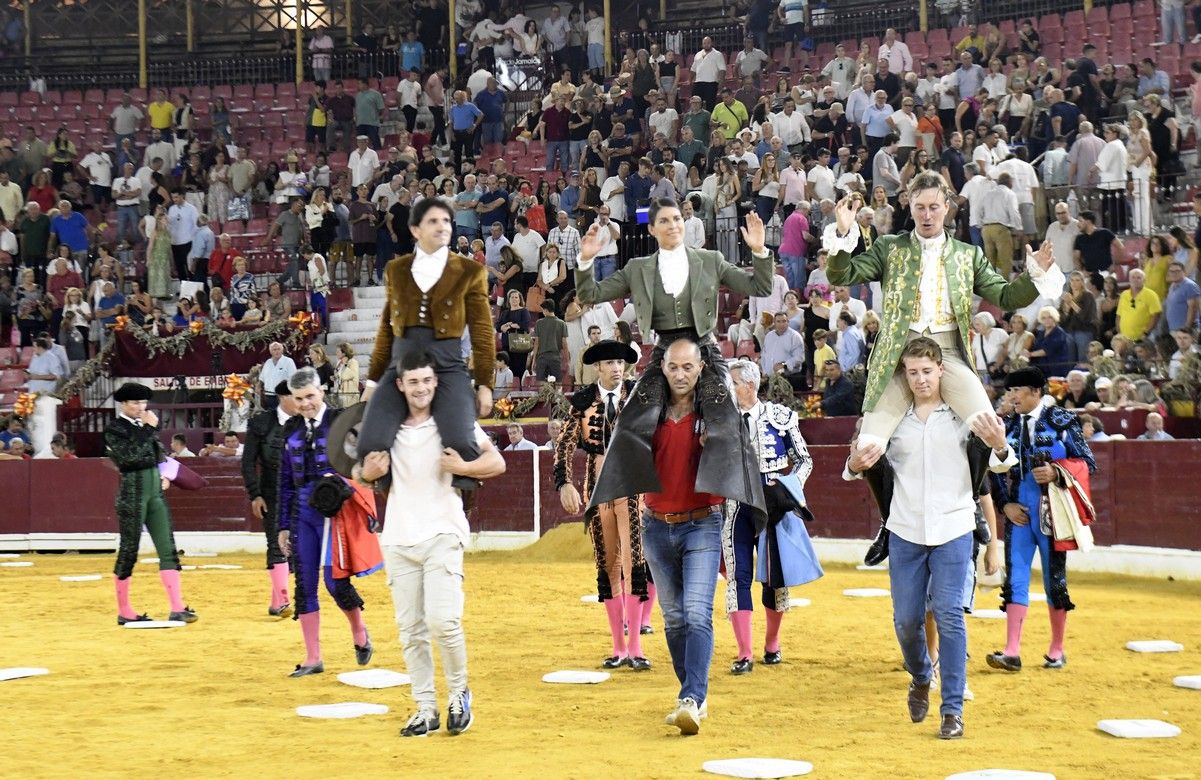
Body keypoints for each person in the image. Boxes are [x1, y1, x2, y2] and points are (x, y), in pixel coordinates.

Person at [824, 173, 1065, 454]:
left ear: (947, 207)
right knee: (867, 446)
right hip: (897, 354)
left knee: (990, 430)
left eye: (934, 207)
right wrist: (841, 234)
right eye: (920, 208)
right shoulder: (889, 247)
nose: (927, 215)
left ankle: (975, 496)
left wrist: (1034, 275)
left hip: (949, 352)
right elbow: (843, 273)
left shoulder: (968, 254)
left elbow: (1007, 296)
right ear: (910, 208)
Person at [847, 337, 1014, 740]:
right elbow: (860, 462)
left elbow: (1003, 462)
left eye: (927, 371)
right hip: (906, 530)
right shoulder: (893, 419)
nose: (920, 380)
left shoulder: (963, 415)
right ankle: (922, 674)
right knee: (906, 620)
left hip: (955, 527)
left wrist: (1000, 444)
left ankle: (952, 709)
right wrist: (853, 463)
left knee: (950, 615)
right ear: (905, 375)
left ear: (942, 370)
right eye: (913, 373)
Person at [575, 199, 775, 515]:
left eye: (678, 219)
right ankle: (624, 494)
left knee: (726, 416)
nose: (674, 225)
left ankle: (745, 499)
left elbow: (760, 286)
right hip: (664, 353)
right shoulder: (637, 268)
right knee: (630, 420)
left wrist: (760, 251)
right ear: (652, 229)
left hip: (704, 350)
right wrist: (586, 261)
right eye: (665, 221)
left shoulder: (711, 259)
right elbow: (589, 295)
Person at [358, 350, 505, 737]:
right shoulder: (385, 428)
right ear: (401, 385)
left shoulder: (453, 422)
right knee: (411, 631)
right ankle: (425, 707)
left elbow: (498, 463)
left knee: (444, 622)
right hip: (398, 538)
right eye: (414, 382)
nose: (421, 388)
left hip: (442, 532)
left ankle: (459, 693)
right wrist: (365, 474)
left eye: (427, 380)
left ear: (435, 383)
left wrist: (464, 468)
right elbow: (356, 469)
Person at [359, 199, 495, 493]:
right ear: (415, 229)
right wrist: (373, 379)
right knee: (369, 443)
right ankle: (401, 498)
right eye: (433, 221)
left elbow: (483, 331)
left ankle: (460, 505)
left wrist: (485, 382)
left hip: (447, 365)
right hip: (400, 364)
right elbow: (386, 327)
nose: (442, 227)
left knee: (461, 442)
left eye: (446, 221)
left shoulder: (470, 271)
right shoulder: (396, 269)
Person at [639, 340, 723, 735]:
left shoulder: (717, 415)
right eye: (674, 367)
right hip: (655, 524)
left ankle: (691, 696)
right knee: (673, 618)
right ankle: (691, 694)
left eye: (688, 367)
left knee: (695, 612)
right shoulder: (646, 413)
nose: (681, 374)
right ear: (664, 368)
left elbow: (736, 451)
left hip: (702, 522)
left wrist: (717, 445)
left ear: (701, 367)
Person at [988, 367, 1095, 674]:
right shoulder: (1005, 425)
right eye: (1009, 392)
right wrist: (1005, 505)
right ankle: (1011, 651)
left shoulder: (1062, 422)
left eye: (1016, 391)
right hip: (1019, 513)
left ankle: (1057, 649)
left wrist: (1057, 472)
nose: (1011, 397)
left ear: (1036, 392)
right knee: (1016, 578)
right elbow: (990, 469)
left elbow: (1087, 462)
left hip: (1052, 514)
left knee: (1054, 581)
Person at [555, 340, 653, 670]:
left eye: (620, 363)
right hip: (598, 490)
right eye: (609, 362)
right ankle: (618, 648)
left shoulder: (639, 397)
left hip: (634, 487)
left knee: (635, 563)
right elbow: (565, 445)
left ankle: (636, 647)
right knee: (608, 565)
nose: (616, 368)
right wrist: (563, 482)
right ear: (597, 367)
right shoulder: (582, 402)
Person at [277, 368, 381, 677]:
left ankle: (360, 633)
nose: (306, 404)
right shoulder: (291, 429)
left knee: (335, 582)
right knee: (304, 584)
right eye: (299, 399)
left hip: (337, 511)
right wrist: (283, 525)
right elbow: (285, 480)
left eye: (310, 396)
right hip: (302, 512)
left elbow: (363, 466)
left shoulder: (342, 421)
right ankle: (313, 657)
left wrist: (350, 491)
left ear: (321, 391)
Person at [724, 359, 821, 674]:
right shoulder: (722, 421)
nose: (730, 389)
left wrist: (789, 487)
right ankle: (743, 653)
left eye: (734, 383)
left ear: (749, 386)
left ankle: (772, 643)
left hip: (773, 504)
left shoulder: (781, 417)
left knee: (773, 579)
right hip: (736, 504)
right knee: (738, 575)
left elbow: (803, 460)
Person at [105, 383, 197, 626]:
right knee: (128, 551)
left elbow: (158, 455)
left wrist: (165, 475)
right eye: (135, 403)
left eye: (143, 403)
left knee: (168, 548)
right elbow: (130, 458)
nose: (140, 407)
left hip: (155, 492)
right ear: (123, 404)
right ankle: (124, 610)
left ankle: (177, 607)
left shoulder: (144, 425)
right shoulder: (115, 429)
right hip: (132, 494)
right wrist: (148, 428)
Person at [241, 380, 298, 618]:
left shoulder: (306, 422)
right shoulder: (260, 423)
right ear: (283, 398)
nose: (302, 402)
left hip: (299, 492)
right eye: (297, 397)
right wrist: (255, 494)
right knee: (276, 543)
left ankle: (277, 603)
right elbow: (248, 462)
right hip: (271, 493)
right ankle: (284, 598)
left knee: (295, 546)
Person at [259, 341, 297, 411]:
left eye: (278, 349)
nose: (277, 351)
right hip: (268, 396)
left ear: (282, 350)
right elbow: (262, 378)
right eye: (274, 349)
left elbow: (293, 379)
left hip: (282, 396)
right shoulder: (268, 362)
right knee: (271, 419)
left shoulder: (289, 361)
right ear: (270, 352)